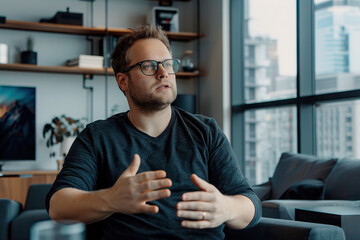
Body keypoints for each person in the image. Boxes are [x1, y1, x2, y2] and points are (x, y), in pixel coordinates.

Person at [46, 24, 261, 240]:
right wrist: (111, 199)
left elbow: (251, 206)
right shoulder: (97, 137)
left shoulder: (206, 132)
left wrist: (227, 207)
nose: (162, 73)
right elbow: (58, 206)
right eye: (148, 66)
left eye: (168, 64)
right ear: (123, 81)